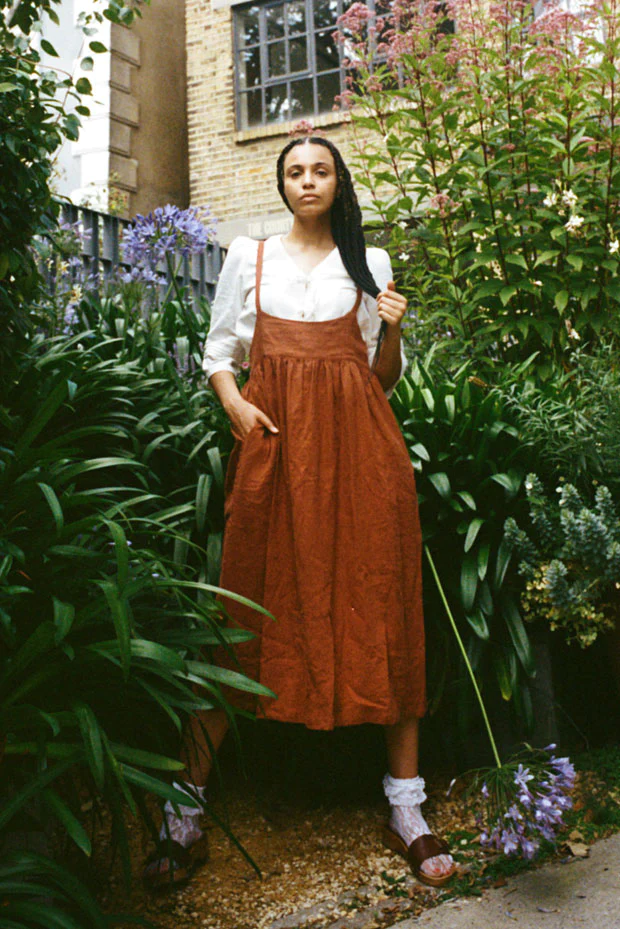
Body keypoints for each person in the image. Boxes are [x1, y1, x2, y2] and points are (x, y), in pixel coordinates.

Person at [143, 131, 456, 889]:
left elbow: (381, 377)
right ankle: (186, 810)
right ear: (281, 184)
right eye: (294, 171)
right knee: (245, 614)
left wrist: (398, 326)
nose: (307, 181)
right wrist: (238, 410)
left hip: (361, 460)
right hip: (277, 458)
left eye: (320, 170)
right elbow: (220, 355)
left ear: (337, 182)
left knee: (378, 604)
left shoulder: (369, 264)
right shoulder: (249, 258)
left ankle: (406, 807)